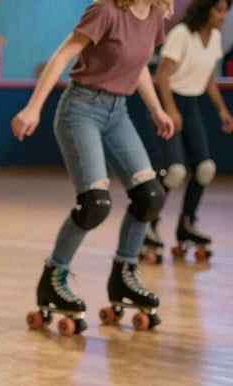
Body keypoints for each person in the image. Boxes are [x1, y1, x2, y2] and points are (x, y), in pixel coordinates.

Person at [12, 0, 174, 335]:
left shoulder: (156, 16)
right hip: (81, 109)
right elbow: (62, 55)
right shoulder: (106, 10)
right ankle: (53, 279)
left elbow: (138, 64)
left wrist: (157, 109)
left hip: (119, 113)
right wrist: (33, 108)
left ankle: (124, 276)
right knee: (95, 204)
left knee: (150, 196)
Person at [141, 0, 233, 264]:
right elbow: (162, 75)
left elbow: (208, 79)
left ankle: (187, 223)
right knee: (175, 172)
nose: (222, 16)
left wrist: (222, 110)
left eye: (225, 11)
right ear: (204, 10)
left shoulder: (214, 38)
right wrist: (169, 110)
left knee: (205, 169)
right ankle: (149, 224)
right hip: (169, 104)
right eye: (218, 10)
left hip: (191, 107)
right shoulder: (181, 34)